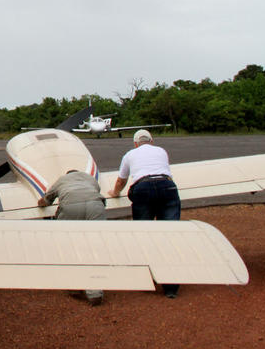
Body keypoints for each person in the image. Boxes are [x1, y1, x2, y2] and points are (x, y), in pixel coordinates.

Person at [106, 129, 181, 299]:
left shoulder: (129, 155)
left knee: (143, 235)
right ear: (151, 141)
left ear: (135, 144)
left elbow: (121, 180)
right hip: (167, 186)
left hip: (142, 188)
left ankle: (146, 280)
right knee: (170, 236)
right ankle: (171, 288)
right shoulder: (161, 151)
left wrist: (115, 193)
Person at [38, 169, 107, 306]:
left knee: (69, 246)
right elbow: (95, 192)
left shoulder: (62, 180)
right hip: (96, 206)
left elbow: (47, 200)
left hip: (71, 206)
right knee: (95, 248)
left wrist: (40, 203)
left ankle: (74, 285)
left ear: (68, 174)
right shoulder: (90, 179)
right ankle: (95, 292)